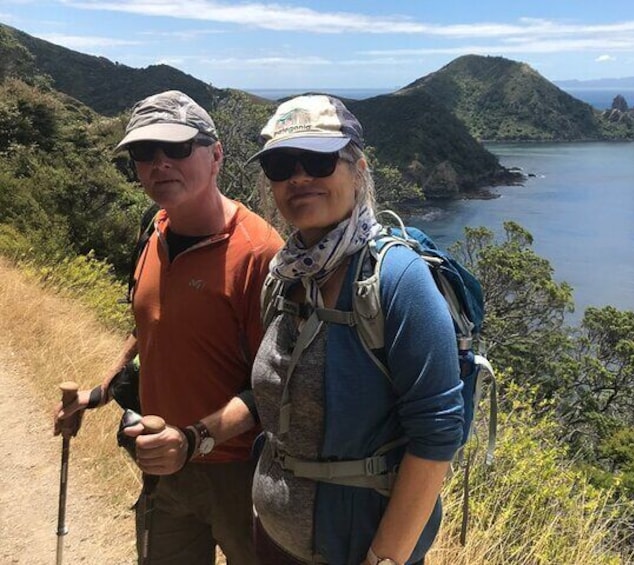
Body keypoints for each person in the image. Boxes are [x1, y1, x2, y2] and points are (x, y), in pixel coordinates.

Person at [54, 90, 283, 564]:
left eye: (178, 148)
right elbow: (152, 325)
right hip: (163, 463)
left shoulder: (258, 252)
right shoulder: (153, 228)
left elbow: (275, 386)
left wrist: (194, 439)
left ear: (216, 155)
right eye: (144, 153)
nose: (160, 164)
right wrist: (97, 395)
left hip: (240, 472)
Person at [247, 94, 465, 565]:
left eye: (319, 159)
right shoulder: (285, 276)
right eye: (282, 164)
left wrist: (382, 559)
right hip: (272, 539)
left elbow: (438, 435)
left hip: (353, 550)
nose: (299, 176)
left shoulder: (397, 280)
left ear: (358, 169)